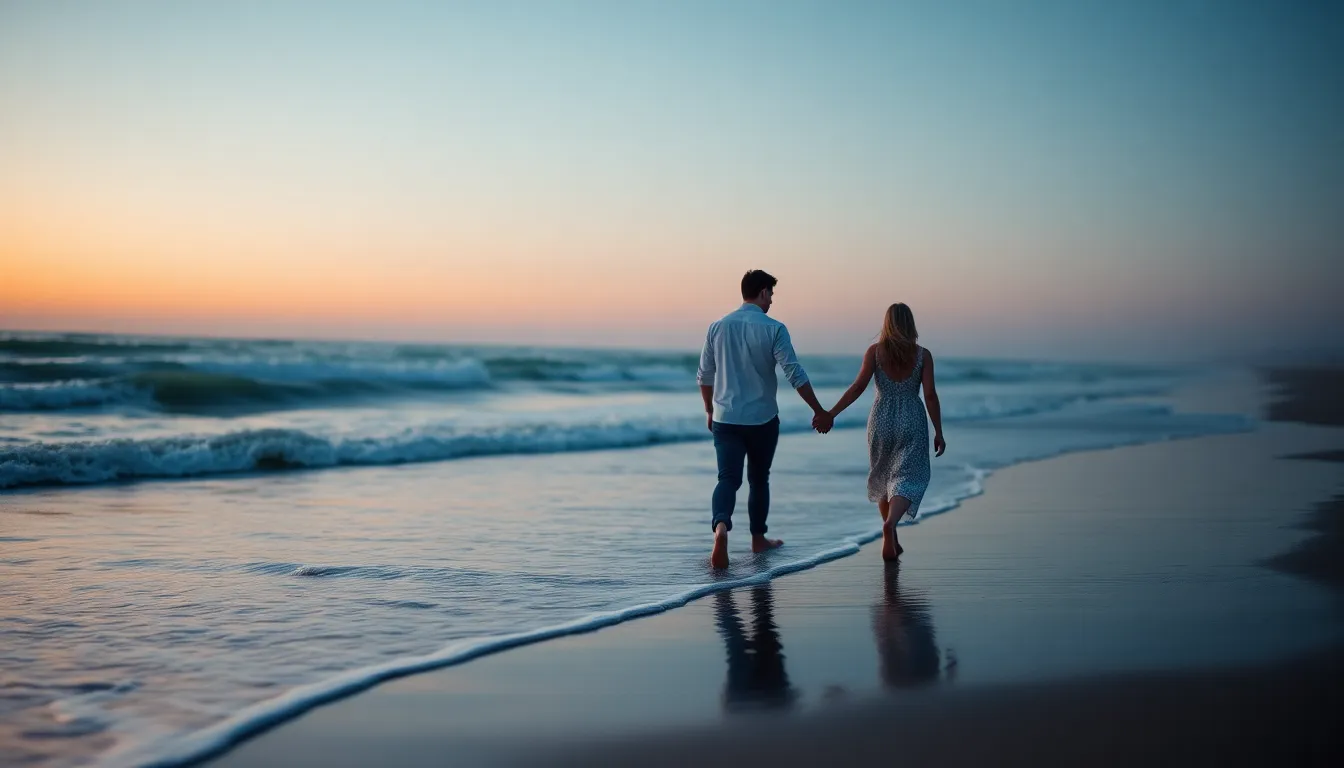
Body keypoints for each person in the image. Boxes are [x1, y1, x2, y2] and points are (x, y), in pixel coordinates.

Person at [696, 270, 833, 569]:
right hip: (763, 419)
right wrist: (818, 410)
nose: (771, 300)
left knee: (727, 479)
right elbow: (794, 373)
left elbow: (704, 375)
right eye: (770, 293)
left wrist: (709, 409)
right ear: (761, 292)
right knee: (759, 479)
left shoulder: (717, 327)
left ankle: (720, 528)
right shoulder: (775, 329)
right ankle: (758, 539)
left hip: (726, 418)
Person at [826, 303, 945, 560]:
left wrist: (831, 413)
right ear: (910, 324)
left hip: (881, 420)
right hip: (912, 419)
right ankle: (891, 525)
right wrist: (938, 431)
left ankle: (890, 533)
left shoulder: (875, 352)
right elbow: (931, 396)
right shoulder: (923, 356)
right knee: (908, 476)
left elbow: (858, 387)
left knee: (883, 476)